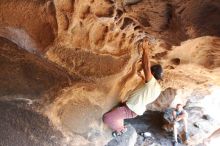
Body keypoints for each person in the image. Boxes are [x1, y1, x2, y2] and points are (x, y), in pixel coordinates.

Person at [103, 41, 163, 137]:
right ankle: (121, 124)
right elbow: (147, 88)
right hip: (133, 108)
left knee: (107, 118)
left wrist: (145, 49)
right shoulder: (157, 88)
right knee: (119, 109)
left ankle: (121, 130)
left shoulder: (151, 83)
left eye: (150, 72)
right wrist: (142, 76)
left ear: (152, 73)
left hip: (130, 110)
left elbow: (146, 67)